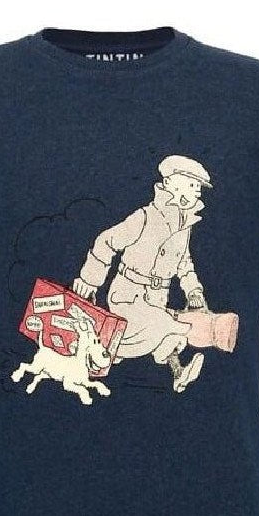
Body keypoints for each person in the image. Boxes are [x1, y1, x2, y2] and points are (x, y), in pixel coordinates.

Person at [73, 155, 212, 392]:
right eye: (191, 184)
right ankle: (101, 352)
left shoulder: (184, 227)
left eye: (198, 186)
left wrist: (193, 291)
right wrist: (89, 280)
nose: (197, 191)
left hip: (157, 298)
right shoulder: (145, 217)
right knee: (163, 325)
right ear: (170, 183)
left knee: (167, 335)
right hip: (128, 295)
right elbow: (107, 241)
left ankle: (179, 373)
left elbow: (184, 263)